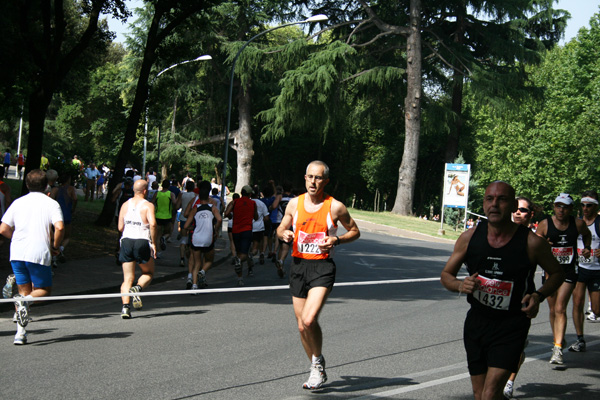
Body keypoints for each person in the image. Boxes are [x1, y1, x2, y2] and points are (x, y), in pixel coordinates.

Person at [440, 181, 564, 400]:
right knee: (480, 395)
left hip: (512, 325)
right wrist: (460, 285)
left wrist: (538, 295)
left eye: (502, 199)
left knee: (489, 394)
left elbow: (557, 273)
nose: (494, 204)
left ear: (514, 205)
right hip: (477, 323)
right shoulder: (469, 238)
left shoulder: (531, 242)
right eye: (489, 199)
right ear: (484, 203)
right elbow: (446, 275)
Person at [277, 161, 360, 390]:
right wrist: (284, 233)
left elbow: (355, 231)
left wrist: (337, 239)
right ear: (305, 178)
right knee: (302, 326)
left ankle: (317, 364)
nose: (314, 182)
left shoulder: (335, 207)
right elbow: (281, 228)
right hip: (298, 266)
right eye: (310, 177)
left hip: (322, 267)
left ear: (326, 181)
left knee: (309, 319)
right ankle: (316, 363)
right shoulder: (295, 204)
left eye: (318, 178)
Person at [0, 169, 65, 345]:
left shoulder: (18, 202)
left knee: (24, 291)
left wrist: (17, 238)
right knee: (43, 291)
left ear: (27, 184)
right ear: (46, 186)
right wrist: (55, 247)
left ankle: (20, 334)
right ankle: (24, 303)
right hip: (39, 252)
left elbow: (3, 229)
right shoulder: (51, 203)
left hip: (17, 252)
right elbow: (59, 227)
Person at [535, 193, 591, 365]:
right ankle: (557, 339)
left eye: (565, 206)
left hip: (568, 272)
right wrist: (544, 245)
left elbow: (587, 235)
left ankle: (558, 348)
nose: (561, 209)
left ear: (571, 209)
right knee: (553, 310)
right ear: (554, 207)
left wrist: (587, 247)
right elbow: (536, 244)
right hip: (550, 273)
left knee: (560, 308)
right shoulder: (545, 225)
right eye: (558, 205)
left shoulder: (577, 223)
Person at [503, 196, 536, 399]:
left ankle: (509, 381)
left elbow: (557, 273)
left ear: (530, 215)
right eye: (515, 209)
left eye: (522, 210)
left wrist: (538, 296)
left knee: (516, 346)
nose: (517, 212)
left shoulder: (535, 241)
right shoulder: (497, 235)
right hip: (498, 298)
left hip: (523, 299)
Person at [117, 179, 158, 319]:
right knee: (149, 272)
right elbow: (152, 224)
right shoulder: (148, 205)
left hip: (127, 240)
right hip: (141, 240)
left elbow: (120, 227)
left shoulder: (124, 205)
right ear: (145, 191)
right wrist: (153, 243)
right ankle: (138, 288)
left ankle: (125, 308)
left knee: (127, 278)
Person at [569, 190, 600, 353]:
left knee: (596, 309)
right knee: (578, 303)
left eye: (589, 205)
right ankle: (580, 339)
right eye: (583, 205)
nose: (585, 208)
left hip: (597, 270)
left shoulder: (599, 223)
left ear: (595, 207)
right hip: (580, 268)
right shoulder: (576, 224)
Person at [184, 181, 222, 290]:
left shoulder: (195, 209)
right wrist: (215, 229)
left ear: (199, 198)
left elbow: (186, 225)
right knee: (209, 260)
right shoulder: (213, 207)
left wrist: (193, 228)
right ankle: (203, 272)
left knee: (197, 262)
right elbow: (219, 219)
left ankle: (194, 285)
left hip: (196, 237)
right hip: (208, 238)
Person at [224, 185, 258, 286]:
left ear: (241, 193)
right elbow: (255, 216)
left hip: (235, 231)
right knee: (244, 254)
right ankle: (238, 261)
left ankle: (240, 278)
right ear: (250, 194)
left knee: (239, 252)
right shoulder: (253, 203)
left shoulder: (234, 202)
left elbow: (226, 213)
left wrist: (231, 215)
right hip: (246, 230)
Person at [50, 173, 77, 264]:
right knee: (67, 236)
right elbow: (75, 199)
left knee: (53, 235)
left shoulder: (55, 189)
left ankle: (53, 252)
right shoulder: (71, 189)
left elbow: (51, 199)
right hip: (66, 213)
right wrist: (73, 208)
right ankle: (61, 249)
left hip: (56, 215)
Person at [153, 179, 177, 253]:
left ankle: (158, 252)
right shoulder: (170, 194)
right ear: (169, 186)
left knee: (158, 235)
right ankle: (164, 238)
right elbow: (174, 202)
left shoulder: (157, 194)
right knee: (168, 232)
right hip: (167, 216)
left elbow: (152, 202)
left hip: (158, 216)